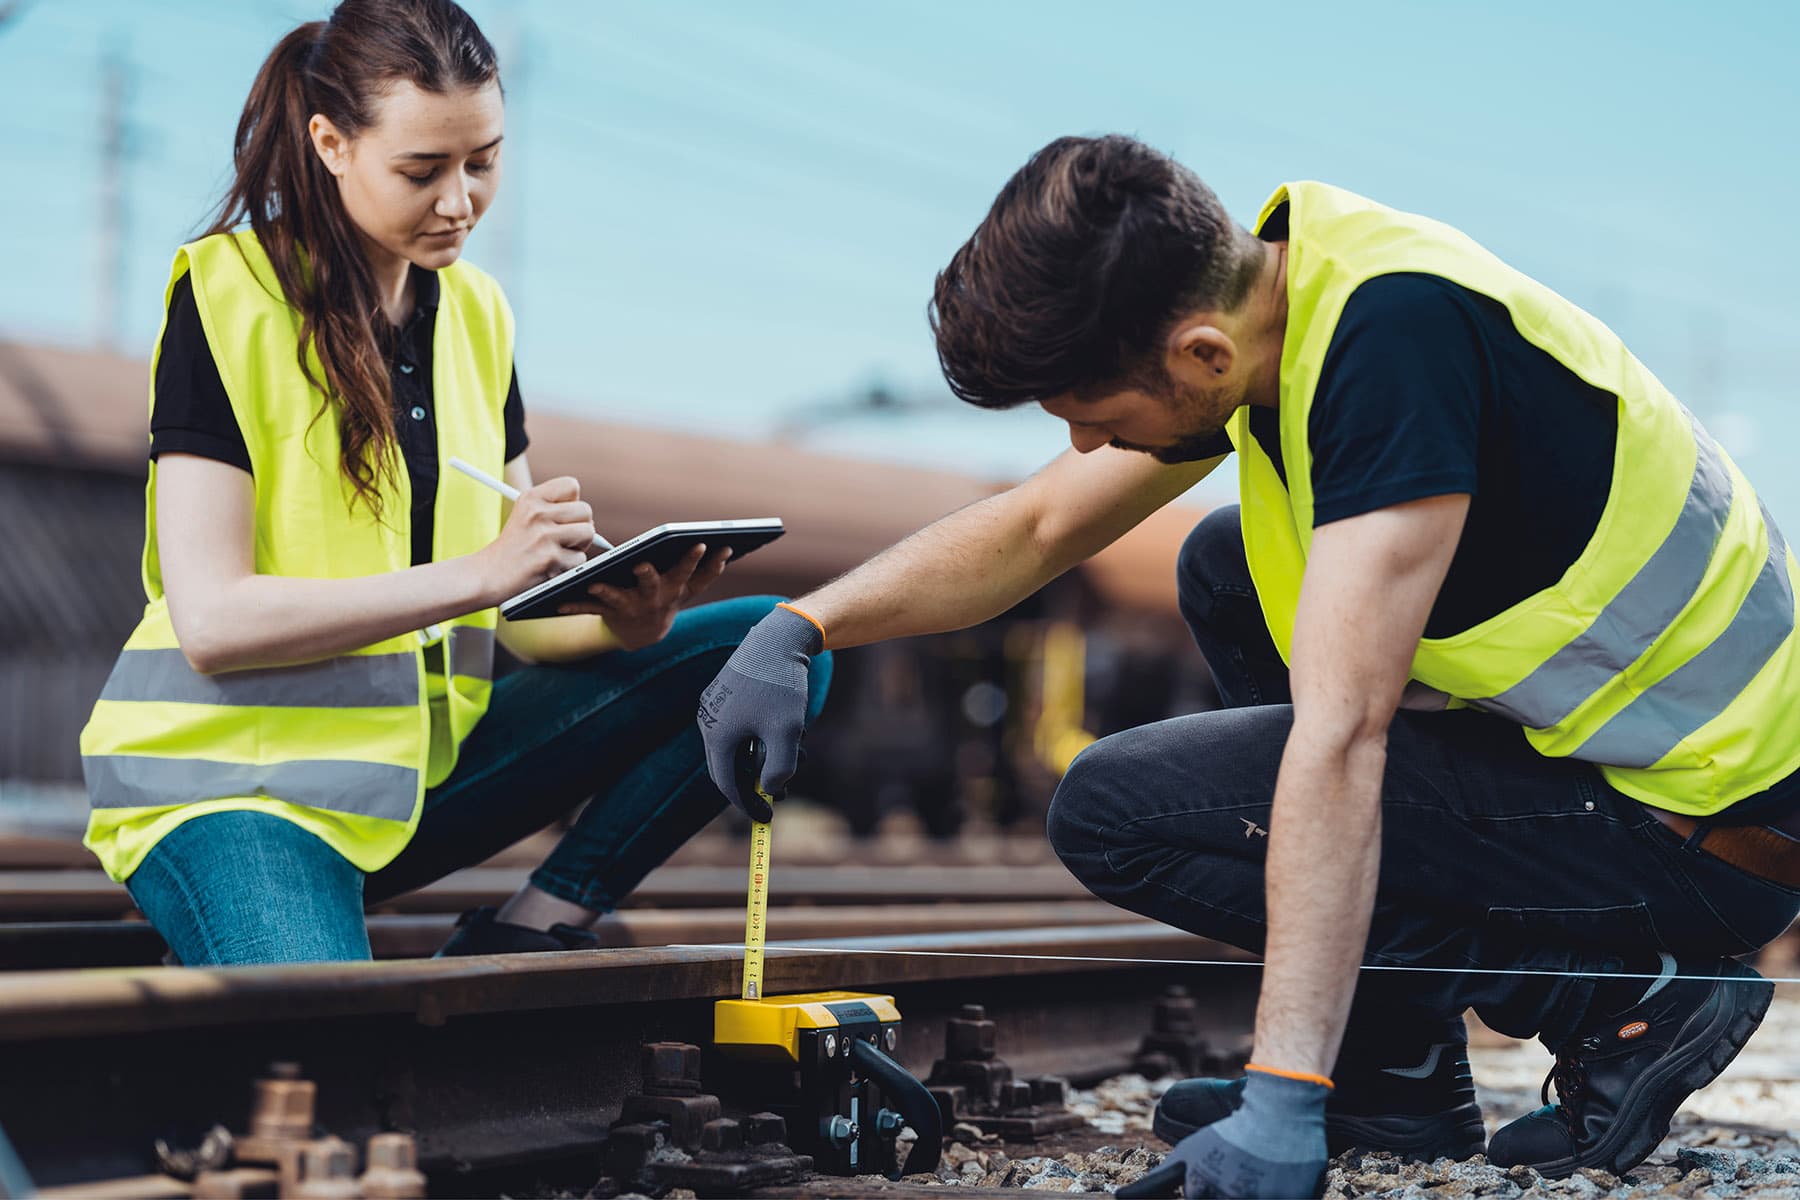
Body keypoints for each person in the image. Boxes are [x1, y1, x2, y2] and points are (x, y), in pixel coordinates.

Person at [700, 135, 1800, 1197]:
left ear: (1200, 355)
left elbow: (1340, 741)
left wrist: (1283, 1096)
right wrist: (805, 623)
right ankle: (1393, 1079)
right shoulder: (1301, 284)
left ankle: (1615, 999)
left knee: (1113, 813)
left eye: (1095, 419)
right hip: (1651, 778)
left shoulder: (1396, 350)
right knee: (1230, 567)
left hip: (1701, 835)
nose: (1083, 448)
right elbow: (1041, 527)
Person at [79, 0, 830, 967]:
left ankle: (540, 920)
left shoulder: (477, 314)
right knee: (330, 1045)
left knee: (777, 646)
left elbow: (521, 618)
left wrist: (629, 619)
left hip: (407, 783)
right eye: (422, 170)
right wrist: (483, 571)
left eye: (484, 161)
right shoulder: (227, 295)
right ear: (331, 144)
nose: (460, 200)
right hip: (230, 791)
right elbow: (213, 622)